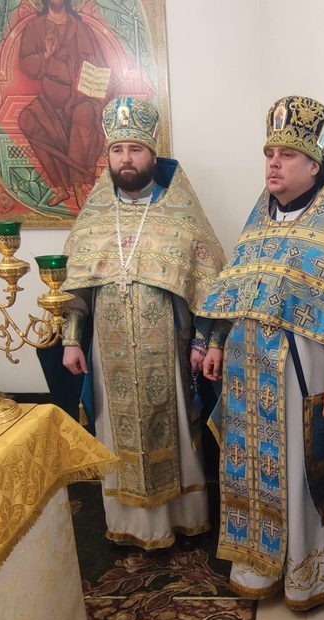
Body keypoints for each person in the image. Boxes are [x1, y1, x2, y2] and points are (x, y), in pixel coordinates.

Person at [200, 95, 324, 610]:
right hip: (247, 379)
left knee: (301, 471)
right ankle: (255, 564)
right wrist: (217, 342)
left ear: (314, 164)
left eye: (286, 155)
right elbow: (237, 289)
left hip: (303, 378)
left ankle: (306, 573)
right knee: (249, 468)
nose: (273, 163)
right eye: (269, 153)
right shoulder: (260, 223)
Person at [59, 96, 226, 549]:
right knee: (116, 433)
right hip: (108, 350)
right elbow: (76, 288)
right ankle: (130, 524)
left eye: (135, 149)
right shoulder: (95, 218)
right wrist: (71, 340)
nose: (126, 159)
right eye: (117, 150)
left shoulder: (181, 213)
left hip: (167, 348)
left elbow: (209, 283)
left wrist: (204, 342)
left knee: (174, 426)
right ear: (108, 158)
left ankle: (181, 520)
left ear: (152, 155)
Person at [18, 0, 107, 208]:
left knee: (84, 115)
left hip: (81, 98)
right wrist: (46, 54)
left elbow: (99, 68)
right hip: (50, 101)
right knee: (27, 119)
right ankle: (59, 186)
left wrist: (83, 87)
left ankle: (80, 184)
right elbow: (27, 66)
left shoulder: (81, 29)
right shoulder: (35, 28)